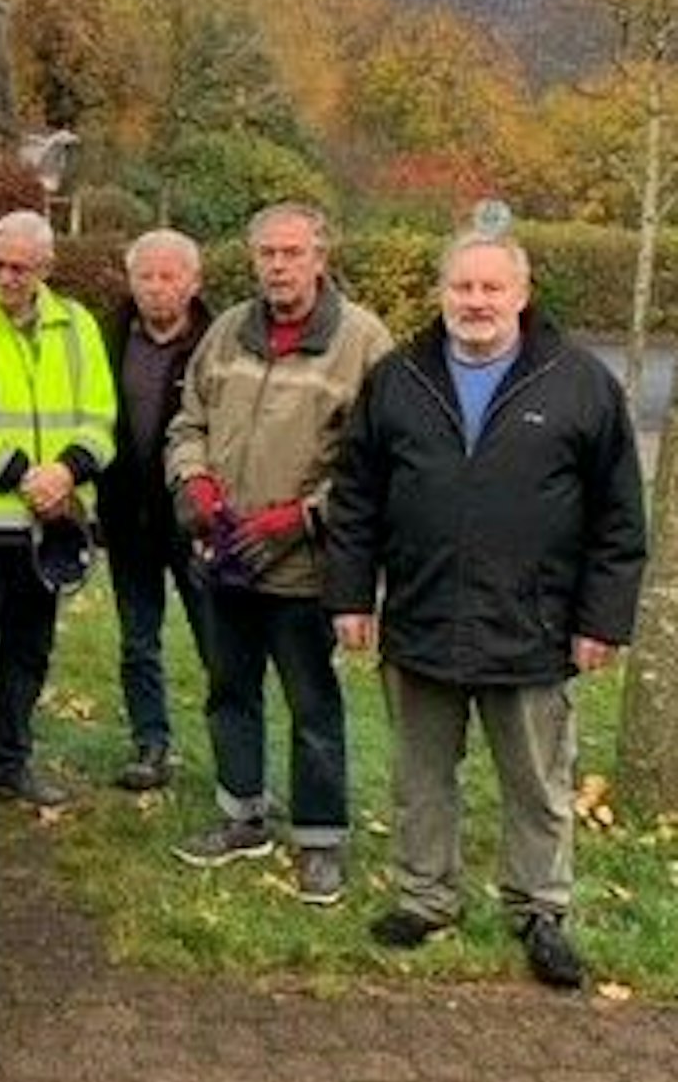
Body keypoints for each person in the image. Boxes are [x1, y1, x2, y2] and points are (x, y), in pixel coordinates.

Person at [326, 232, 645, 986]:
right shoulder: (398, 378)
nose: (475, 303)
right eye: (462, 288)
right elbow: (356, 498)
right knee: (420, 776)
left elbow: (619, 517)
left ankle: (540, 908)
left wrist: (603, 619)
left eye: (491, 289)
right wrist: (349, 594)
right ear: (442, 292)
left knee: (538, 782)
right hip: (422, 614)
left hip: (532, 625)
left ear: (522, 294)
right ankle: (425, 894)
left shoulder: (579, 383)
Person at [165, 202, 393, 905]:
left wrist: (298, 518)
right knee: (228, 689)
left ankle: (320, 839)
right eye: (266, 253)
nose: (278, 266)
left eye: (292, 253)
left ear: (320, 256)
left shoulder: (362, 341)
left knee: (311, 703)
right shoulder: (229, 330)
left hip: (304, 567)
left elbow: (376, 464)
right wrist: (194, 482)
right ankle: (241, 815)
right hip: (224, 552)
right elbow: (188, 419)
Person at [0, 209, 115, 824]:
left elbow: (99, 414)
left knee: (30, 652)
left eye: (20, 267)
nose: (5, 276)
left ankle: (9, 760)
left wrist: (68, 469)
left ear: (46, 268)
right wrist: (25, 476)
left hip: (49, 524)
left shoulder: (77, 324)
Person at [97, 229, 216, 792]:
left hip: (195, 519)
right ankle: (151, 742)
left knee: (216, 637)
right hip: (126, 515)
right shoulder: (106, 336)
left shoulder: (220, 343)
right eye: (146, 275)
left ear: (194, 282)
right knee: (138, 639)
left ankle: (232, 749)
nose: (157, 288)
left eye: (170, 276)